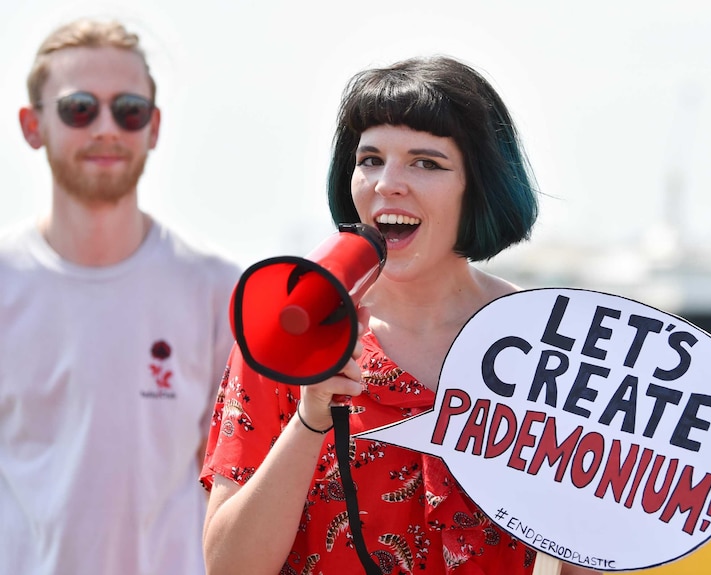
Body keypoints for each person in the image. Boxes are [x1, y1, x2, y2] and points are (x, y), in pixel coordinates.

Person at [201, 56, 597, 575]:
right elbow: (230, 568)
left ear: (478, 187)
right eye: (369, 160)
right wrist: (310, 418)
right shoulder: (289, 332)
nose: (387, 183)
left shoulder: (548, 348)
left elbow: (590, 548)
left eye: (426, 163)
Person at [0, 18, 241, 574]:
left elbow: (233, 478)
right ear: (33, 125)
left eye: (128, 110)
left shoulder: (216, 289)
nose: (106, 128)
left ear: (153, 127)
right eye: (79, 108)